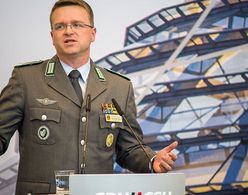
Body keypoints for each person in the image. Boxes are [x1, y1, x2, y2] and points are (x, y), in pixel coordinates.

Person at [0, 0, 178, 194]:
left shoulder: (119, 87)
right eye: (60, 26)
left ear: (92, 34)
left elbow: (129, 149)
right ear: (52, 36)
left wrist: (152, 160)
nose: (68, 31)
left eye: (77, 24)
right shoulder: (26, 79)